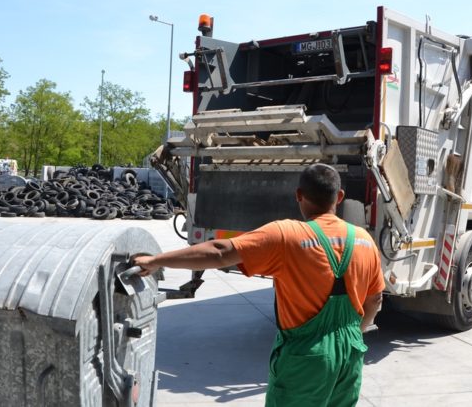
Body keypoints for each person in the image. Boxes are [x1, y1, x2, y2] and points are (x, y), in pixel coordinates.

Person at [135, 163, 384, 406]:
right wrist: (355, 333)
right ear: (339, 197)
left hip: (306, 357)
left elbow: (220, 252)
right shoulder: (363, 240)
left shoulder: (288, 235)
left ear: (299, 195)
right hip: (350, 355)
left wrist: (156, 260)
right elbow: (374, 300)